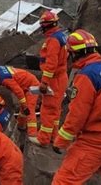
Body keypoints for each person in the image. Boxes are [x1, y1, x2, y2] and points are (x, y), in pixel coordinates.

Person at [52, 29, 101, 184]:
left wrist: (61, 141)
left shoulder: (87, 76)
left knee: (64, 181)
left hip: (94, 142)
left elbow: (77, 115)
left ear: (74, 54)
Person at [30, 11, 68, 146]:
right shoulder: (60, 36)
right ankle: (53, 137)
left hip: (54, 79)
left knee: (48, 109)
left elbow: (51, 63)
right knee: (56, 110)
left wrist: (44, 82)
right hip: (61, 77)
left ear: (46, 26)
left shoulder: (53, 40)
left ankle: (43, 139)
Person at [0, 66, 38, 136]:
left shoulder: (5, 80)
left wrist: (25, 106)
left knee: (29, 109)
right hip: (26, 82)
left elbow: (19, 92)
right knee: (23, 109)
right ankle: (21, 126)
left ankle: (32, 134)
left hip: (31, 86)